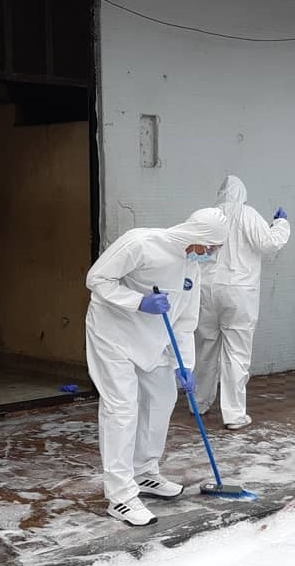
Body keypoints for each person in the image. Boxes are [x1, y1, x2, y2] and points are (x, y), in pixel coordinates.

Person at [86, 207, 228, 526]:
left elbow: (186, 320)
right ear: (198, 237)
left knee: (162, 400)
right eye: (212, 247)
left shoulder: (193, 266)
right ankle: (121, 497)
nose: (212, 253)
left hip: (156, 339)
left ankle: (145, 472)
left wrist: (185, 364)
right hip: (114, 334)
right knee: (122, 409)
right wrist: (138, 301)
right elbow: (96, 279)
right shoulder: (141, 243)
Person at [194, 175, 290, 430]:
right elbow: (269, 245)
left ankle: (198, 403)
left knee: (205, 347)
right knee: (236, 352)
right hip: (239, 292)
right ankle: (234, 414)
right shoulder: (248, 214)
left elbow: (192, 253)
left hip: (207, 290)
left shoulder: (208, 216)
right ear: (243, 194)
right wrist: (281, 223)